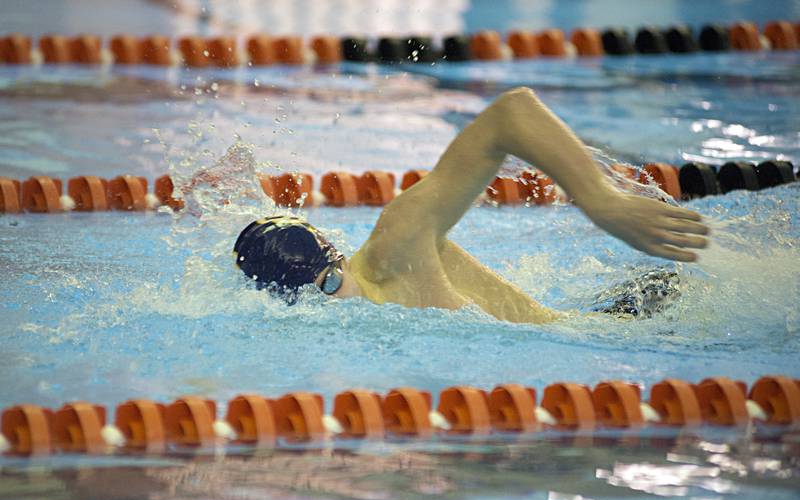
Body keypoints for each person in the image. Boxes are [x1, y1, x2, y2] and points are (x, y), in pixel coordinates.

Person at [233, 87, 709, 323]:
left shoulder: (392, 251)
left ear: (339, 260)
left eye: (333, 280)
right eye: (316, 300)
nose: (336, 302)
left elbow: (511, 112)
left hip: (631, 323)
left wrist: (603, 202)